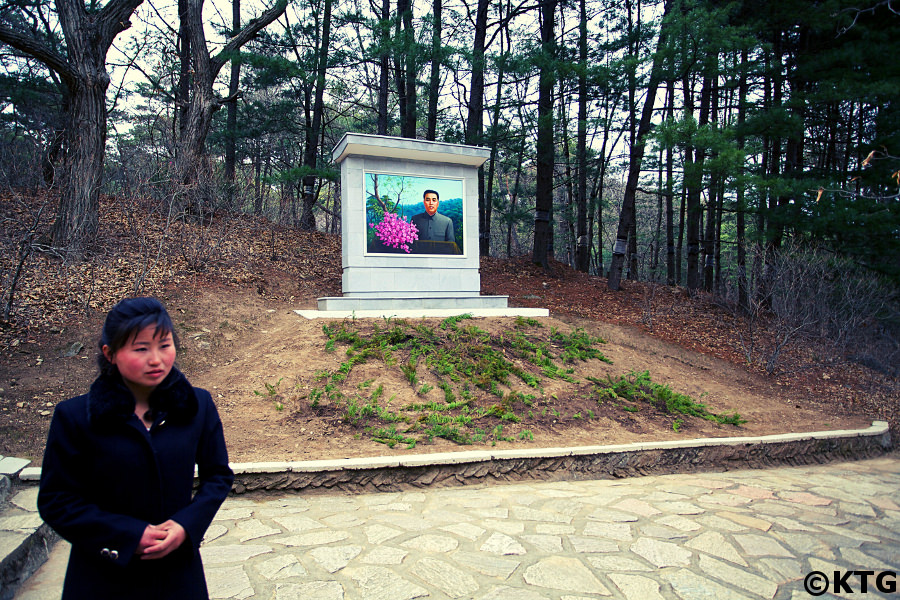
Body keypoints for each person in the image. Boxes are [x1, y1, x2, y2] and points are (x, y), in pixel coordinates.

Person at [38, 297, 234, 600]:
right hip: (103, 577)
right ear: (110, 353)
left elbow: (218, 476)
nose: (156, 359)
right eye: (141, 348)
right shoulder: (75, 417)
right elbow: (56, 501)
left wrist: (186, 526)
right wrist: (127, 535)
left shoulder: (197, 406)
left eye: (164, 345)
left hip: (177, 575)